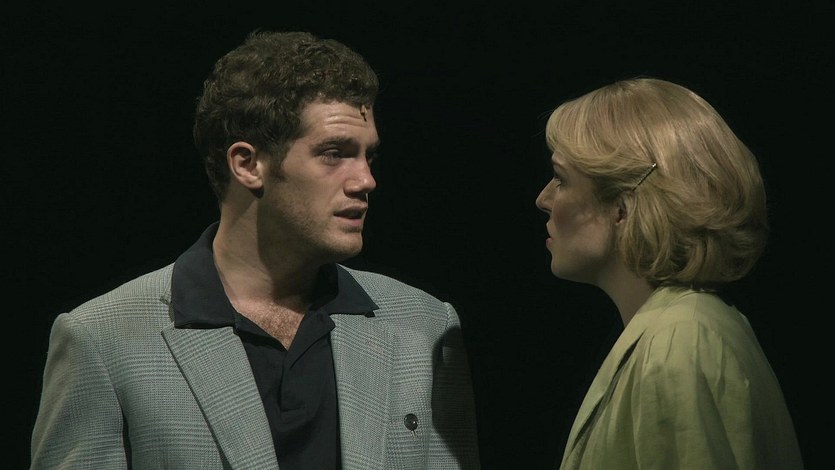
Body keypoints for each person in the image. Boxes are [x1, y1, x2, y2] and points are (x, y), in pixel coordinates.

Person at [30, 30, 480, 470]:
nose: (366, 180)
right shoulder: (104, 339)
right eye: (334, 153)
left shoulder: (424, 327)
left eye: (369, 156)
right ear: (247, 164)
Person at [535, 77, 803, 469]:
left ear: (623, 208)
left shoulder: (679, 342)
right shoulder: (686, 330)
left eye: (561, 179)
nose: (543, 199)